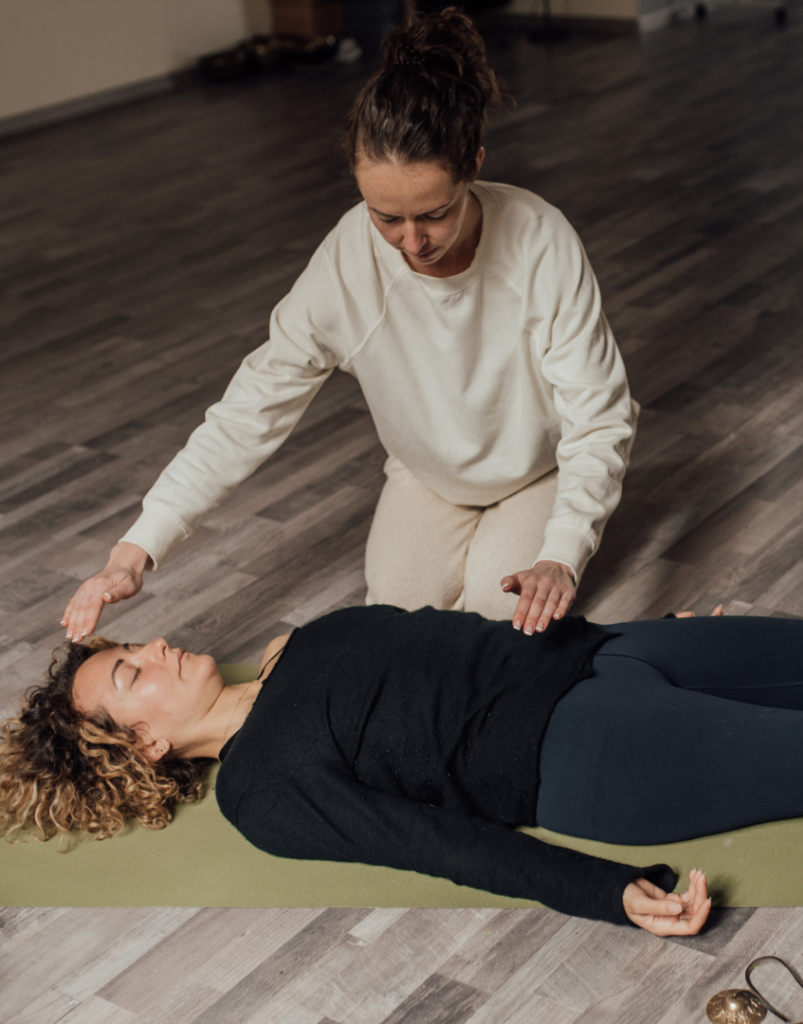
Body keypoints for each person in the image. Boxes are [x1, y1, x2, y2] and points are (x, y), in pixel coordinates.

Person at [59, 8, 638, 646]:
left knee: (499, 617)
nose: (412, 242)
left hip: (539, 471)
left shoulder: (541, 239)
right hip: (427, 475)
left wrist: (561, 550)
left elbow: (599, 416)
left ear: (472, 164)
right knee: (394, 618)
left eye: (435, 214)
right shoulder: (346, 261)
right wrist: (137, 547)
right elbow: (252, 407)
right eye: (385, 216)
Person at [4, 607, 803, 937]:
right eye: (131, 674)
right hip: (592, 758)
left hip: (610, 650)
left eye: (134, 645)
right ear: (137, 745)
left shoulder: (301, 638)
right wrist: (605, 891)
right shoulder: (261, 790)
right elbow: (437, 845)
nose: (160, 651)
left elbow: (472, 636)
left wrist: (642, 630)